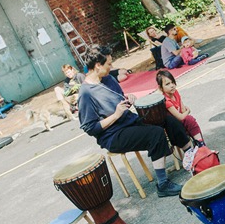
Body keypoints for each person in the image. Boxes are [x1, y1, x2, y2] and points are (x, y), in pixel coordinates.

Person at [78, 45, 194, 197]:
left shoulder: (108, 79)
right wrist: (116, 115)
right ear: (98, 65)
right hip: (113, 135)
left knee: (166, 118)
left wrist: (128, 99)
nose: (111, 67)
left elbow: (118, 99)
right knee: (155, 133)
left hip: (129, 121)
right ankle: (163, 184)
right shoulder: (85, 93)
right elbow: (90, 128)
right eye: (109, 64)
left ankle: (192, 156)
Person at [156, 69, 206, 147]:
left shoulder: (175, 92)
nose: (172, 85)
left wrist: (185, 112)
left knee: (190, 120)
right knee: (189, 119)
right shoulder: (166, 101)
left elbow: (182, 110)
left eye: (172, 82)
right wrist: (188, 110)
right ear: (160, 88)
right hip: (175, 127)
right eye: (167, 84)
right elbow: (180, 117)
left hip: (182, 122)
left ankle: (200, 144)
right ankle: (201, 144)